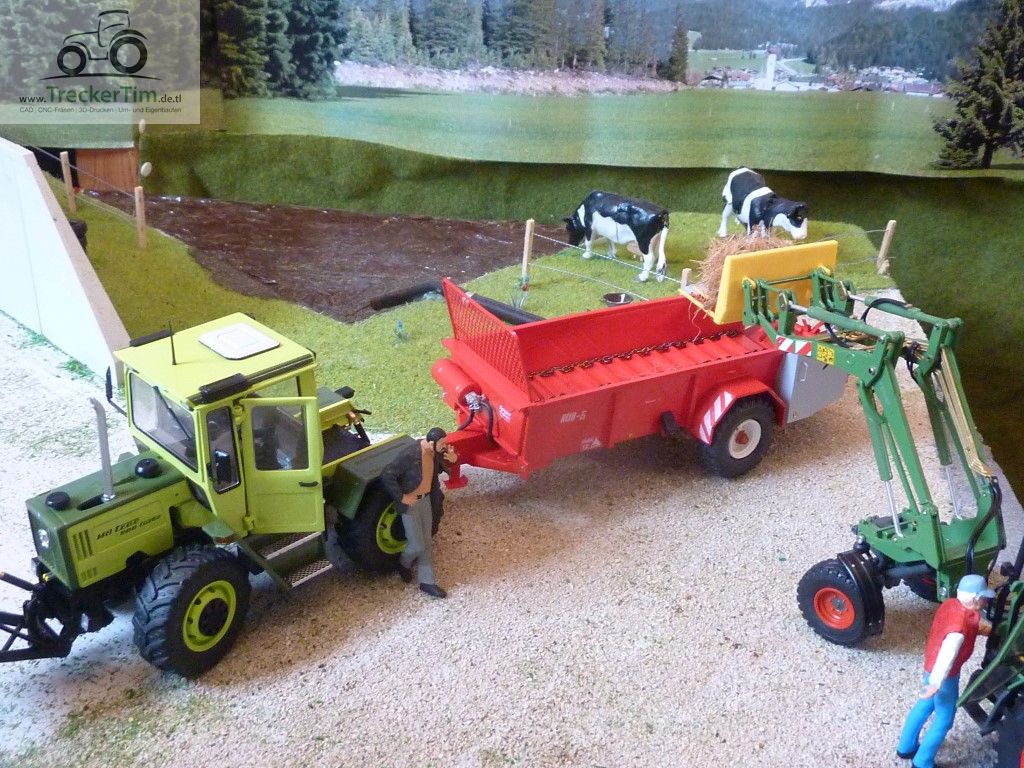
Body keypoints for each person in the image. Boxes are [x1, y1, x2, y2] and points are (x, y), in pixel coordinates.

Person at [896, 573, 995, 768]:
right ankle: (923, 761)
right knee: (944, 718)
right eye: (984, 597)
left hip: (929, 667)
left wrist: (981, 629)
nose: (985, 601)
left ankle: (905, 747)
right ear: (975, 599)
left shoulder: (951, 605)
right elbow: (947, 656)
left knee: (924, 706)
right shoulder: (959, 629)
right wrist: (936, 683)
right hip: (944, 677)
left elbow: (961, 623)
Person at [379, 427, 456, 599]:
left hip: (426, 500)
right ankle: (403, 563)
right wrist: (402, 497)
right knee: (417, 544)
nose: (444, 446)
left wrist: (453, 459)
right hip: (411, 503)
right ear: (431, 443)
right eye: (442, 443)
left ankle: (427, 581)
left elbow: (447, 463)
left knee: (426, 541)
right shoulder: (410, 454)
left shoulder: (436, 452)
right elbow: (388, 474)